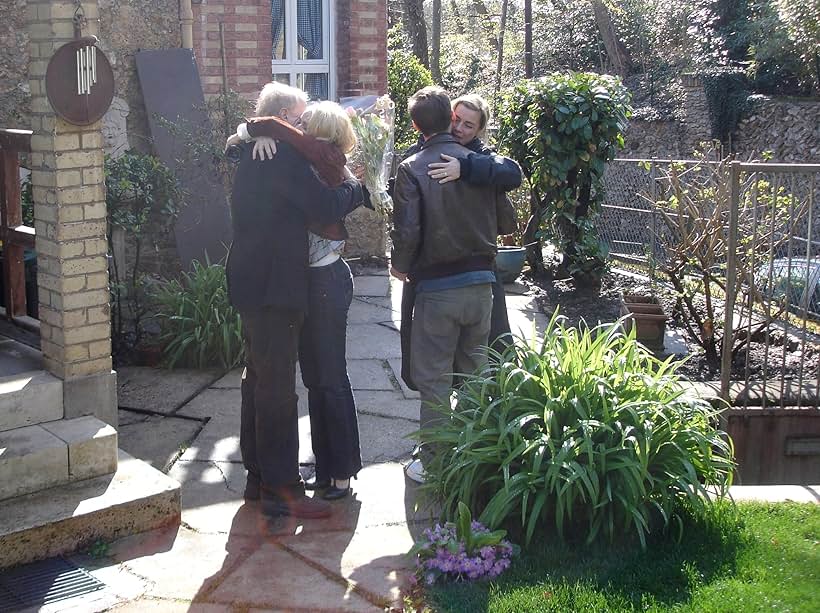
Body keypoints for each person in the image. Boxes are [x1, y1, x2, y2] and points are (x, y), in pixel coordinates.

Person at [226, 83, 366, 519]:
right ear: (285, 117)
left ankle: (257, 477)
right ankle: (281, 489)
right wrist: (360, 190)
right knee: (276, 390)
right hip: (275, 286)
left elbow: (240, 144)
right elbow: (324, 205)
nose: (305, 128)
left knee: (258, 380)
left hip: (254, 282)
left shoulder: (257, 152)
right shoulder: (282, 156)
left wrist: (246, 135)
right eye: (301, 119)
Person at [391, 87, 515, 483]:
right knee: (477, 372)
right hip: (482, 287)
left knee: (434, 378)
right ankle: (476, 455)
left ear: (416, 124)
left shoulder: (412, 167)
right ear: (449, 119)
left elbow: (407, 230)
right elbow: (508, 222)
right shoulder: (479, 163)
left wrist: (400, 266)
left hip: (438, 289)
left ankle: (434, 462)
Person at [397, 94, 521, 392]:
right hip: (445, 273)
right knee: (460, 366)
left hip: (473, 274)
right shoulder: (418, 155)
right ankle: (465, 435)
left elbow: (512, 172)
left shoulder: (481, 158)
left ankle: (462, 436)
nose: (460, 129)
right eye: (456, 120)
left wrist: (466, 168)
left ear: (479, 130)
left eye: (469, 125)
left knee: (478, 364)